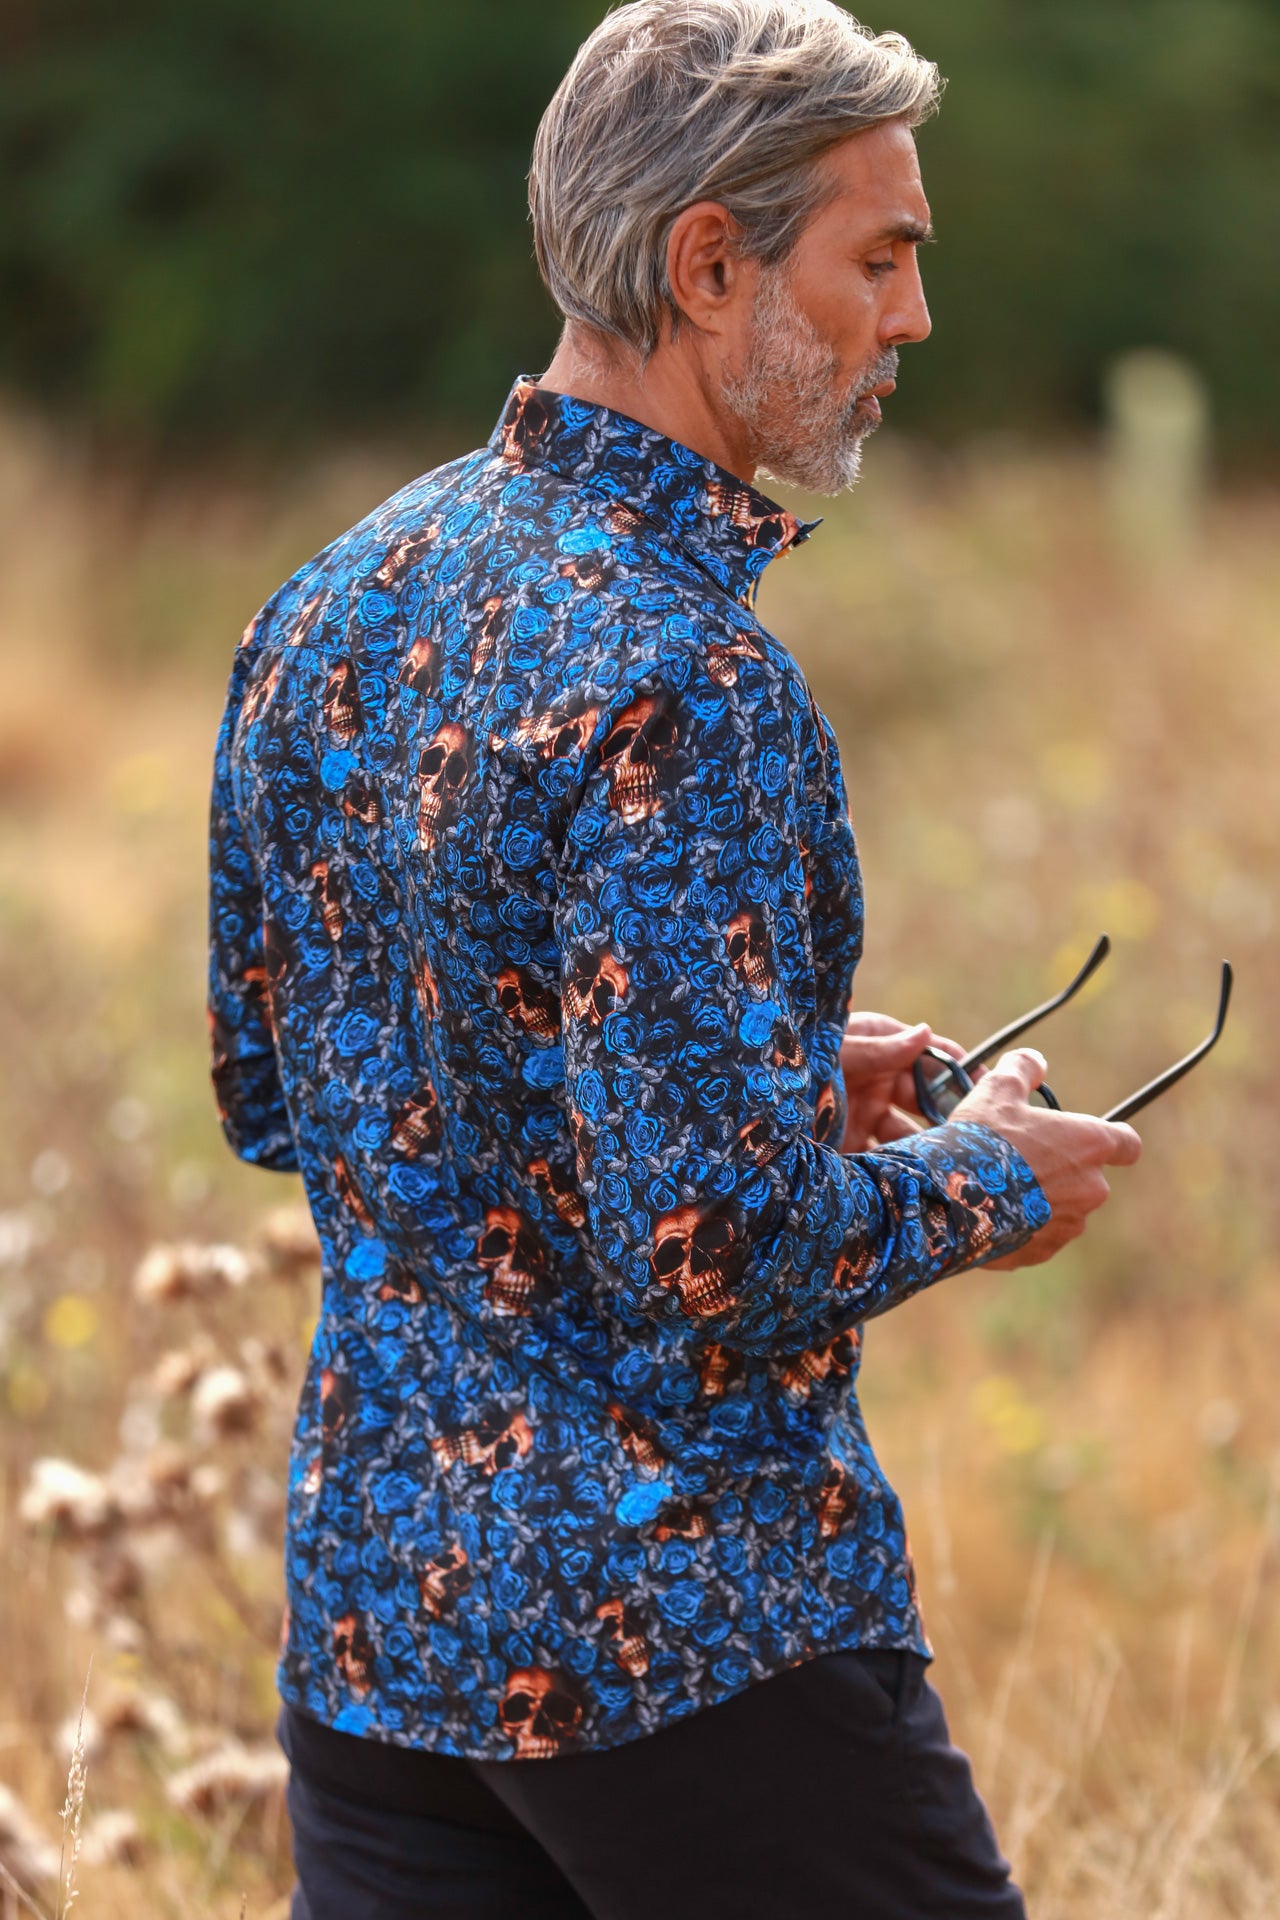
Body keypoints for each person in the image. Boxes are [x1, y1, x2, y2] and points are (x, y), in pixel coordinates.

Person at [207, 3, 1141, 1914]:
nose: (912, 321)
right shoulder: (686, 679)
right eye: (877, 259)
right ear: (708, 263)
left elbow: (288, 1097)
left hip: (388, 1640)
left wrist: (769, 1079)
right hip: (691, 1639)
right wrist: (978, 1186)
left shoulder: (332, 601)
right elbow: (715, 1258)